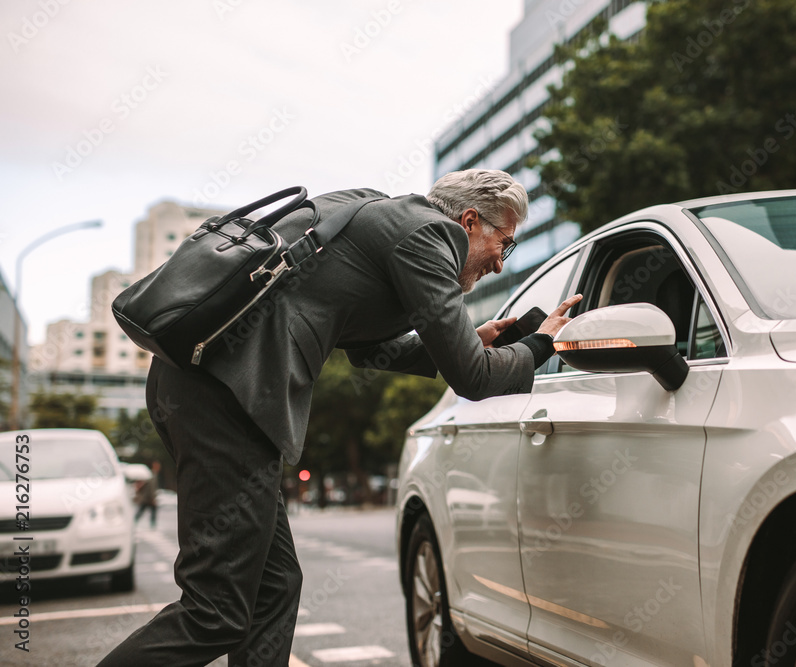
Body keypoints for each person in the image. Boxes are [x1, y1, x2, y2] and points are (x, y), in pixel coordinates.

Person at [97, 169, 581, 667]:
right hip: (227, 399)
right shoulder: (430, 235)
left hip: (206, 388)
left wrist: (470, 341)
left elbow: (371, 351)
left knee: (274, 588)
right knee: (214, 612)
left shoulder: (380, 212)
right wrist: (540, 343)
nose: (501, 263)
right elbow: (475, 380)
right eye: (506, 242)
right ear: (470, 220)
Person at [133, 460, 161, 528]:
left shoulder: (151, 474)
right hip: (148, 498)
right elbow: (151, 487)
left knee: (144, 512)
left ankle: (134, 523)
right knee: (146, 512)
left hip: (147, 498)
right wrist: (153, 498)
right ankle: (152, 526)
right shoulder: (152, 474)